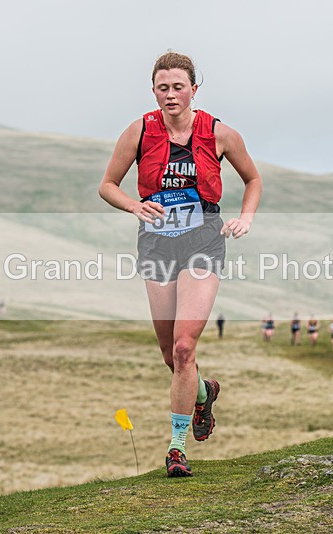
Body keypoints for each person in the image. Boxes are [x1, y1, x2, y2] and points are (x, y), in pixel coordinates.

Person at [98, 51, 262, 477]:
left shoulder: (220, 133)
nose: (170, 95)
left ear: (193, 89)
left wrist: (245, 218)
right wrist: (134, 205)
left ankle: (176, 448)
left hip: (203, 240)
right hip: (156, 243)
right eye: (163, 88)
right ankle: (204, 393)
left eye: (178, 87)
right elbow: (107, 185)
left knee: (185, 346)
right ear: (154, 91)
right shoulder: (139, 131)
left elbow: (253, 179)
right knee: (170, 354)